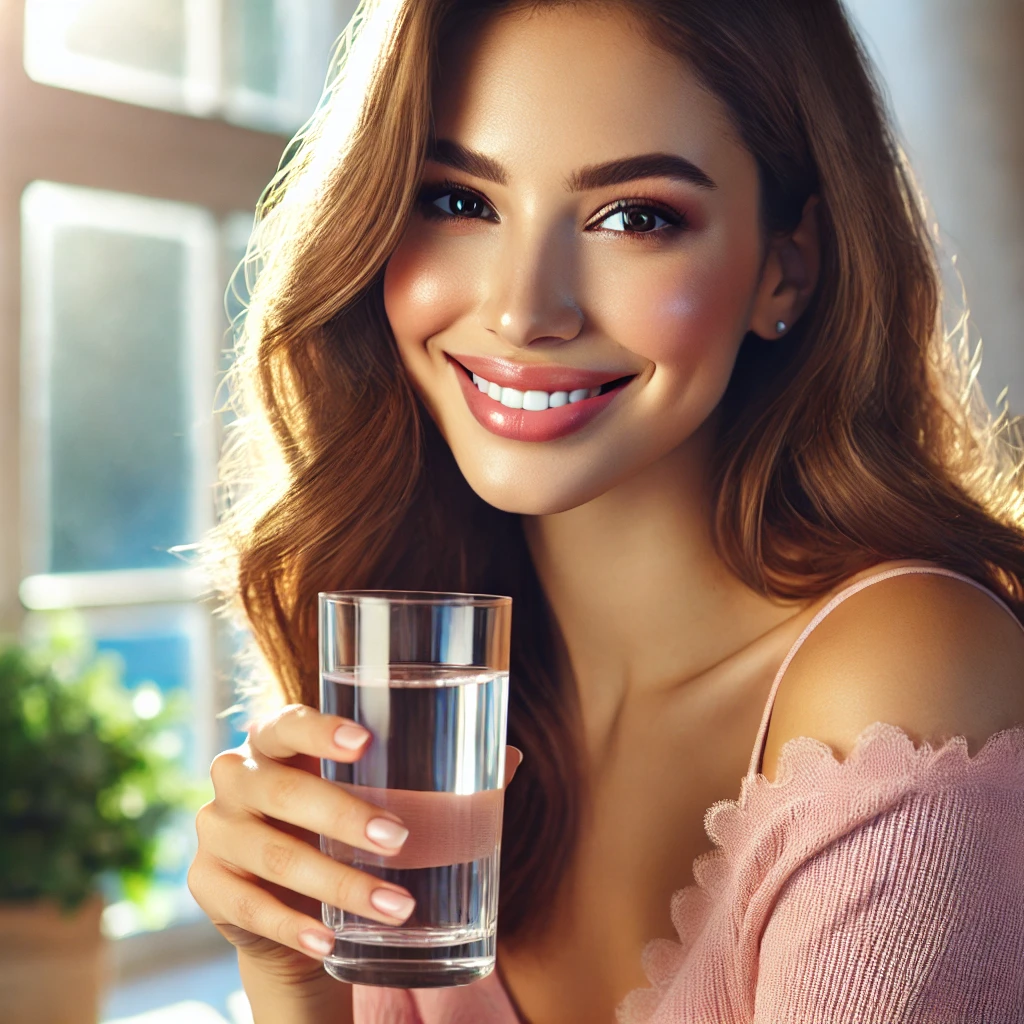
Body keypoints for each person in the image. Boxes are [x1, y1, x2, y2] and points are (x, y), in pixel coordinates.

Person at [187, 1, 1024, 1021]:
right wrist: (293, 973)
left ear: (785, 265)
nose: (524, 309)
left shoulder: (903, 672)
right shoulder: (415, 698)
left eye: (634, 216)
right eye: (457, 200)